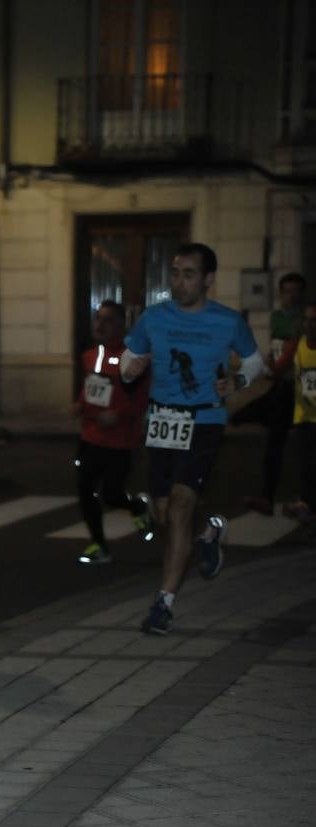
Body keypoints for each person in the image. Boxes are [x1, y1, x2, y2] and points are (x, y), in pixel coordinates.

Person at [121, 243, 265, 635]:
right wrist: (129, 369)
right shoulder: (153, 318)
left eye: (188, 274)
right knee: (166, 515)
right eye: (174, 273)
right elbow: (127, 356)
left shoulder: (227, 321)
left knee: (182, 505)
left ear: (208, 280)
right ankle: (209, 534)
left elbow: (255, 361)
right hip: (161, 420)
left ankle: (163, 604)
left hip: (204, 420)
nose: (178, 282)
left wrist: (237, 380)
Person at [70, 301, 154, 564]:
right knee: (85, 491)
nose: (100, 325)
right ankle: (99, 545)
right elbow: (92, 387)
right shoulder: (89, 355)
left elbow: (142, 398)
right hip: (90, 436)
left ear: (120, 325)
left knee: (111, 494)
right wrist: (79, 404)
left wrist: (118, 415)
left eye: (107, 320)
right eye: (98, 319)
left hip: (119, 441)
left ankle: (137, 507)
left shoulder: (133, 358)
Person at [244, 272, 305, 515]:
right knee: (274, 442)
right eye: (286, 291)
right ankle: (268, 496)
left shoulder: (305, 319)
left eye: (295, 291)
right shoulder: (278, 317)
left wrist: (277, 369)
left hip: (297, 386)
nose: (290, 296)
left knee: (297, 445)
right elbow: (276, 346)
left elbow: (291, 350)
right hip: (280, 384)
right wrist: (270, 363)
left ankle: (298, 500)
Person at [270, 301, 316, 521]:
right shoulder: (298, 344)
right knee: (306, 464)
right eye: (306, 319)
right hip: (304, 416)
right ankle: (306, 505)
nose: (309, 324)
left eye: (314, 320)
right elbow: (279, 368)